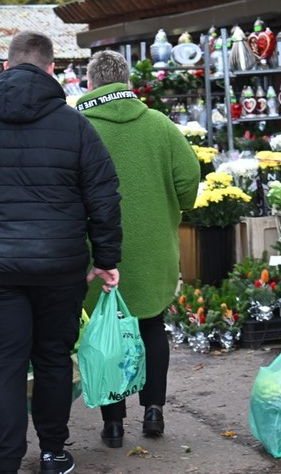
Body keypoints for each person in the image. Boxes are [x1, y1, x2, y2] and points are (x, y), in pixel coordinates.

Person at [0, 31, 123, 474]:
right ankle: (54, 452)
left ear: (6, 66)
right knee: (54, 358)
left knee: (6, 364)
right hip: (59, 266)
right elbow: (104, 197)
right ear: (52, 68)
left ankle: (5, 460)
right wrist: (107, 258)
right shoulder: (75, 125)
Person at [76, 51, 199, 447]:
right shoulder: (160, 125)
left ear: (91, 83)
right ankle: (154, 410)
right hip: (154, 247)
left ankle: (113, 422)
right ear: (127, 81)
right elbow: (189, 179)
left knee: (103, 332)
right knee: (150, 326)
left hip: (95, 250)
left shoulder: (78, 126)